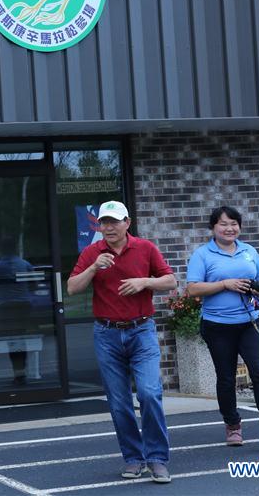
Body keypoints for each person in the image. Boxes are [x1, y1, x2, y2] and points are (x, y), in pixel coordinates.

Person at [68, 201, 177, 483]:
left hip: (141, 331)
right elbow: (72, 288)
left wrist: (144, 282)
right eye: (104, 222)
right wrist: (93, 268)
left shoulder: (145, 248)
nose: (108, 227)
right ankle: (133, 458)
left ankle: (157, 459)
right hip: (107, 334)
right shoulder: (92, 252)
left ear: (127, 223)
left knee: (150, 393)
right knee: (118, 402)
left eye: (114, 222)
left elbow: (171, 281)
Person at [186, 206, 259, 448]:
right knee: (226, 378)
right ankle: (233, 425)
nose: (229, 228)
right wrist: (225, 284)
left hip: (250, 322)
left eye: (234, 223)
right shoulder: (203, 254)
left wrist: (258, 288)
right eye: (223, 224)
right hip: (217, 326)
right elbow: (193, 289)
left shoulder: (249, 251)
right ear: (213, 228)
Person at [0, 236, 35, 386]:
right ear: (15, 248)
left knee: (12, 340)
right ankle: (21, 372)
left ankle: (19, 373)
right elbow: (34, 285)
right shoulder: (24, 264)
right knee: (19, 337)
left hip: (4, 306)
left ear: (0, 249)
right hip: (23, 305)